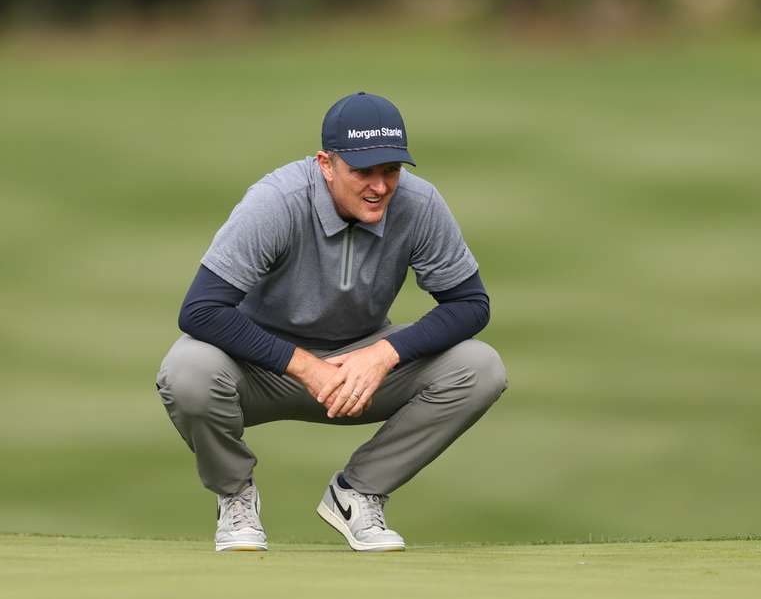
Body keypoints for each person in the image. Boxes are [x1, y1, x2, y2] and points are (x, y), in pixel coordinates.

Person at [155, 92, 508, 553]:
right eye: (363, 171)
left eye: (391, 171)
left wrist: (385, 354)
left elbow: (470, 303)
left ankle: (357, 492)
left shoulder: (419, 205)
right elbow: (201, 310)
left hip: (363, 367)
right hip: (262, 368)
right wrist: (303, 365)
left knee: (481, 368)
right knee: (187, 371)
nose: (380, 186)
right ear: (326, 163)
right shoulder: (277, 201)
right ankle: (235, 496)